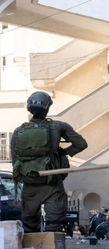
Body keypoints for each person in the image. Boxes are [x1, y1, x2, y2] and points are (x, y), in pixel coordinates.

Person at [11, 91, 88, 233]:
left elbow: (15, 160)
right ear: (47, 108)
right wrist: (63, 153)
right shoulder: (59, 127)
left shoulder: (18, 132)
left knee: (29, 227)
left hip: (30, 186)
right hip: (52, 185)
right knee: (54, 227)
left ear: (29, 108)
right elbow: (81, 144)